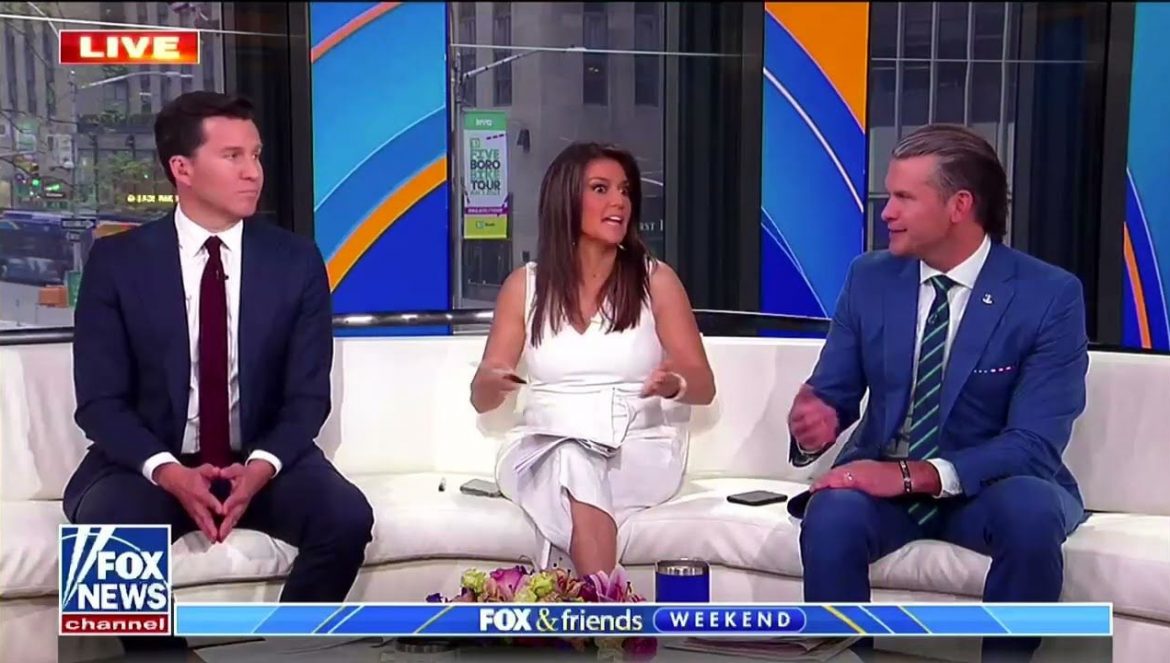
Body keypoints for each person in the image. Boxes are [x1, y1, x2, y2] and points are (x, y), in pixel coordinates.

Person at [63, 92, 374, 620]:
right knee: (107, 534)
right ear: (181, 169)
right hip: (149, 463)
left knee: (346, 518)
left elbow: (306, 397)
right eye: (232, 156)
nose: (253, 172)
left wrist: (260, 467)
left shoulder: (295, 261)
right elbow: (99, 403)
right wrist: (167, 471)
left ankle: (281, 652)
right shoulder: (117, 262)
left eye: (255, 155)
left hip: (258, 460)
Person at [786, 124, 1088, 661]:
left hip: (991, 486)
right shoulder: (870, 278)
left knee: (1033, 513)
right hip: (887, 490)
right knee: (831, 514)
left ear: (959, 206)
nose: (886, 212)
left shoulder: (1048, 295)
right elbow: (833, 393)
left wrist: (914, 474)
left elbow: (1034, 442)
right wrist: (815, 424)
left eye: (904, 197)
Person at [470, 142, 715, 578]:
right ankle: (607, 604)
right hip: (543, 446)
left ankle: (585, 605)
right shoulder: (524, 286)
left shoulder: (656, 281)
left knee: (575, 467)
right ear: (566, 199)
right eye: (601, 189)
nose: (619, 201)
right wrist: (492, 381)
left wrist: (675, 383)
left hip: (635, 451)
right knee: (571, 457)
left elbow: (702, 384)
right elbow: (481, 396)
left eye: (625, 190)